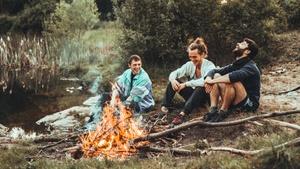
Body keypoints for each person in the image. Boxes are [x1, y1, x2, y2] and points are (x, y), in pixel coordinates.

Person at [150, 37, 216, 126]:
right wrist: (173, 79)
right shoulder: (190, 65)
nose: (192, 59)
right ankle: (164, 109)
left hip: (205, 98)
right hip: (192, 97)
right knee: (174, 81)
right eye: (190, 57)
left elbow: (205, 81)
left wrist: (186, 84)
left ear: (203, 54)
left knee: (200, 87)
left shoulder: (210, 65)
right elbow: (175, 73)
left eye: (195, 57)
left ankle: (182, 114)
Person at [80, 55, 155, 131]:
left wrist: (118, 105)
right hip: (128, 98)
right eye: (135, 65)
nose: (137, 67)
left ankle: (110, 125)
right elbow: (116, 88)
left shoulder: (144, 77)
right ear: (129, 65)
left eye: (139, 64)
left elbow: (132, 98)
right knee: (104, 96)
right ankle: (92, 122)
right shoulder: (127, 73)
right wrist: (112, 101)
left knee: (125, 106)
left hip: (140, 103)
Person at [203, 38, 260, 122]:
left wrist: (212, 81)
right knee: (216, 75)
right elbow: (214, 70)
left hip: (249, 104)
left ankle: (223, 112)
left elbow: (233, 76)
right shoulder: (236, 64)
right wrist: (208, 78)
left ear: (247, 51)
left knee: (232, 81)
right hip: (236, 99)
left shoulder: (251, 66)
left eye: (242, 44)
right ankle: (213, 110)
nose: (237, 43)